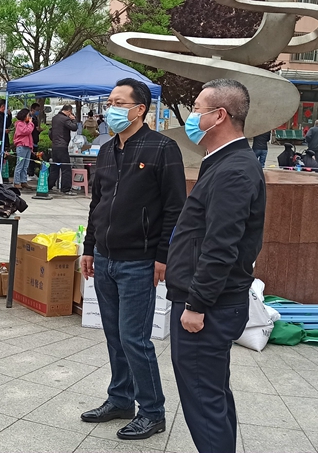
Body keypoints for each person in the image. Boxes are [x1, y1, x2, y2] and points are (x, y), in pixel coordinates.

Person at [80, 78, 186, 440]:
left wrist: (163, 256)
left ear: (140, 109)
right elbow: (97, 203)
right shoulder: (107, 150)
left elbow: (175, 208)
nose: (110, 109)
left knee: (134, 338)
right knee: (114, 335)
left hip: (139, 261)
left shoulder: (162, 148)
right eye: (109, 102)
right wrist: (89, 247)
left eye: (119, 103)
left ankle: (152, 411)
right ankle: (120, 399)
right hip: (105, 258)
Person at [166, 79, 266, 453]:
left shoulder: (234, 169)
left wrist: (196, 304)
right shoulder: (223, 162)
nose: (192, 116)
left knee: (204, 400)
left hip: (209, 307)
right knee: (212, 392)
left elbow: (221, 247)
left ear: (219, 115)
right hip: (209, 301)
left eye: (196, 109)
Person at [48, 104, 78, 195]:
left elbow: (51, 131)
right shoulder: (65, 119)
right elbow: (74, 128)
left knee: (54, 167)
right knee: (66, 168)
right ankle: (66, 189)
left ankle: (49, 186)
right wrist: (73, 119)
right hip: (62, 146)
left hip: (55, 145)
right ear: (69, 111)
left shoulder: (55, 118)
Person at [12, 108, 35, 189]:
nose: (29, 117)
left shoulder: (26, 123)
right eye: (28, 115)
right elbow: (26, 131)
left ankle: (23, 181)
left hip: (27, 146)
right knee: (20, 165)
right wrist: (31, 123)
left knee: (25, 165)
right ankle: (16, 182)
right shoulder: (19, 124)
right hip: (21, 145)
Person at [27, 103, 43, 179]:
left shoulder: (35, 117)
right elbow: (29, 130)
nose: (38, 111)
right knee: (30, 157)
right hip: (31, 140)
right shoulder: (29, 118)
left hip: (35, 139)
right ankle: (28, 173)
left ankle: (31, 173)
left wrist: (38, 131)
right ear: (32, 109)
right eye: (37, 110)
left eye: (39, 110)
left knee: (34, 157)